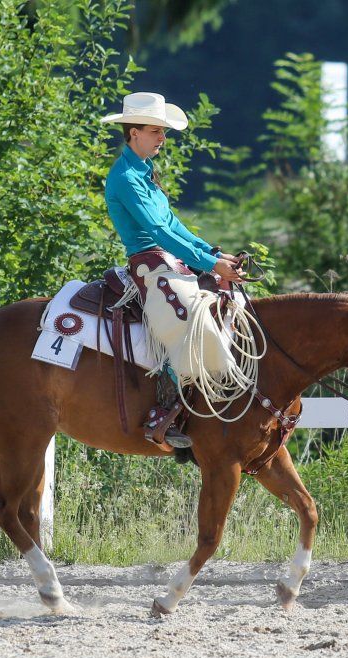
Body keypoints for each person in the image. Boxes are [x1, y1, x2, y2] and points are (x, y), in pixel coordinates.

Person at [101, 92, 244, 449]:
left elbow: (173, 225)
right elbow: (159, 232)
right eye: (156, 131)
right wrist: (211, 264)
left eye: (163, 132)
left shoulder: (144, 173)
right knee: (187, 316)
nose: (162, 138)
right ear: (133, 132)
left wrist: (212, 252)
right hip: (150, 265)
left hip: (168, 259)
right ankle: (162, 413)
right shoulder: (125, 178)